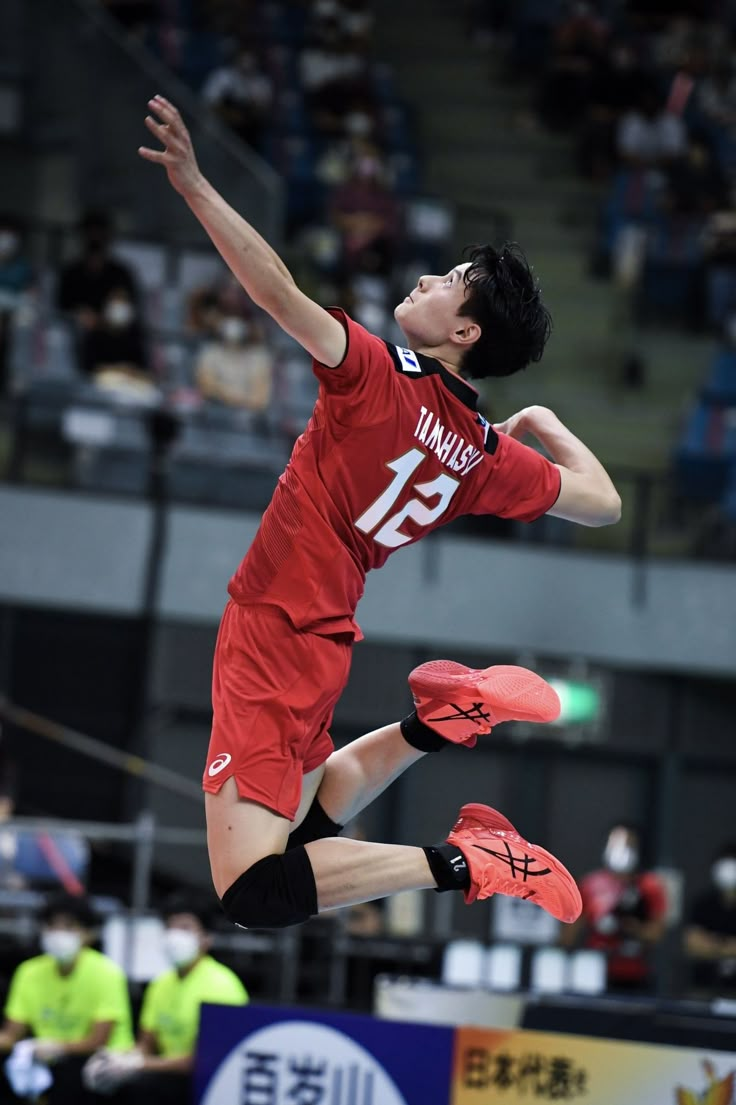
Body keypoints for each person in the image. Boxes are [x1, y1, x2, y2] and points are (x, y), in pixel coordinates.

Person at [138, 94, 621, 936]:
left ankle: (471, 860)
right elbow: (603, 503)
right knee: (308, 832)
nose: (429, 279)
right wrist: (541, 428)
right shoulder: (480, 452)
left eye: (450, 284)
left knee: (257, 887)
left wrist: (195, 187)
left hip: (279, 626)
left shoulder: (378, 372)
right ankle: (440, 722)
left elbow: (274, 291)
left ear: (464, 330)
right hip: (316, 631)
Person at [83, 893, 247, 1104]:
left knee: (146, 1089)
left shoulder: (223, 986)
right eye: (170, 927)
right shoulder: (160, 984)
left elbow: (205, 1061)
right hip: (164, 1075)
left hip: (204, 1082)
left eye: (185, 928)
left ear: (207, 938)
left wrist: (141, 1065)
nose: (174, 935)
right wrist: (118, 1059)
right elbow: (146, 1044)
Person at [0, 894, 133, 1104]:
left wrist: (57, 1047)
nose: (58, 934)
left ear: (88, 934)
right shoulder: (28, 972)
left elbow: (98, 1040)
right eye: (52, 926)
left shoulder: (107, 972)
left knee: (73, 1074)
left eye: (69, 927)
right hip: (45, 1060)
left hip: (98, 1061)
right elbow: (11, 1034)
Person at [565, 823, 668, 991]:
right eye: (615, 844)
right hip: (594, 971)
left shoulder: (649, 886)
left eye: (627, 845)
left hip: (636, 973)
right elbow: (570, 932)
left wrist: (632, 927)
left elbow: (657, 932)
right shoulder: (590, 884)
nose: (620, 850)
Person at [684, 842, 736, 995]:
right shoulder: (703, 904)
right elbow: (693, 944)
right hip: (704, 987)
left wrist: (712, 944)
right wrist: (729, 947)